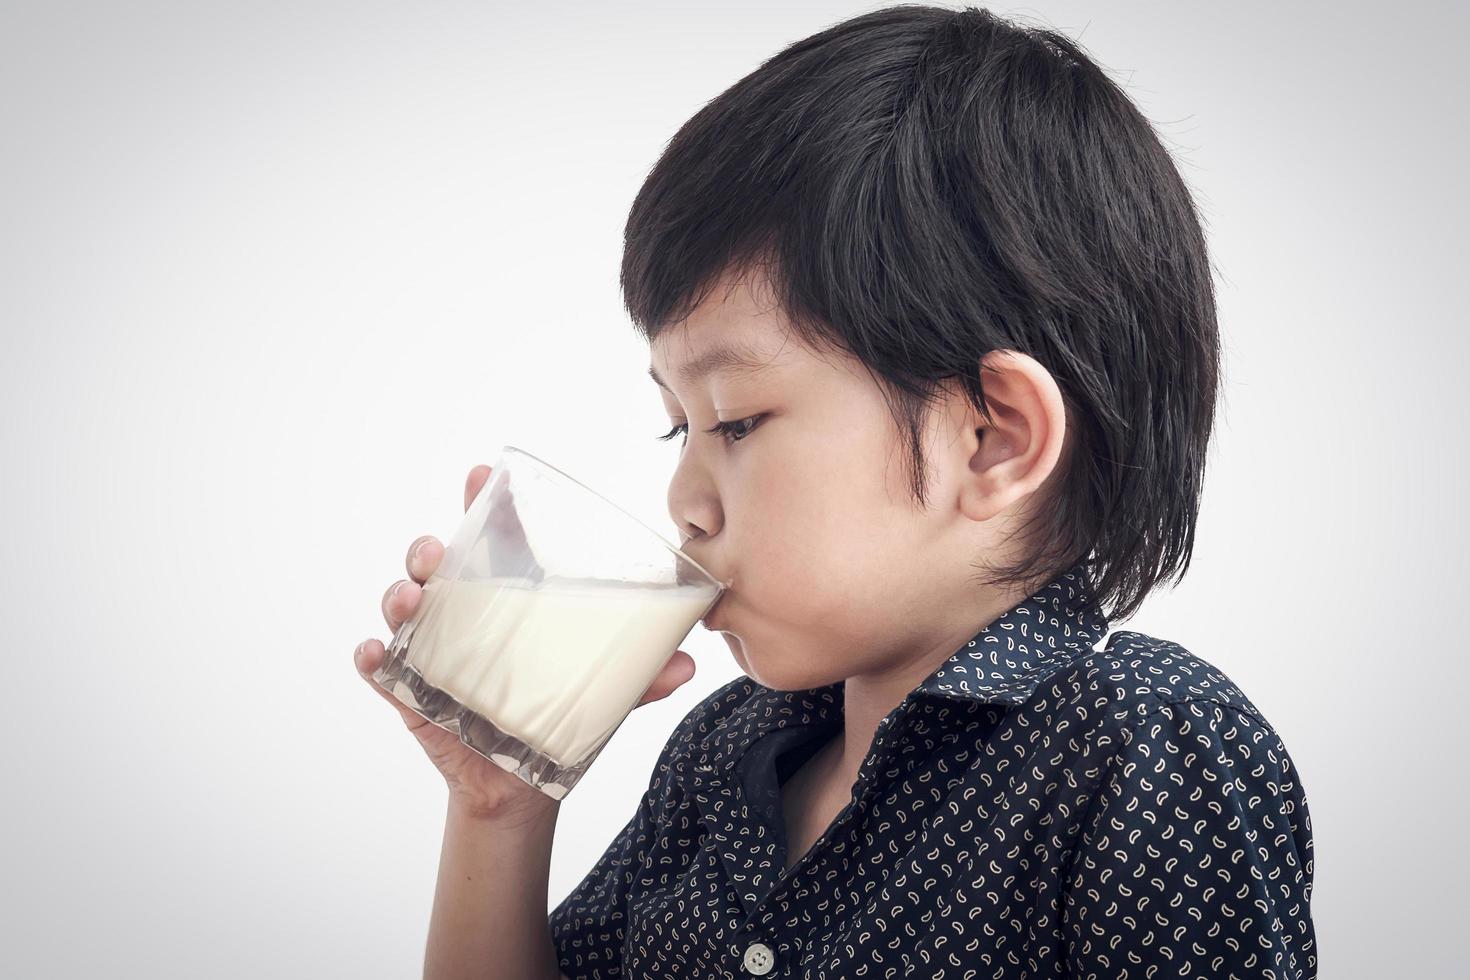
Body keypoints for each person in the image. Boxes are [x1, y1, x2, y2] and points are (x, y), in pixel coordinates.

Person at [354, 5, 1316, 977]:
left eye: (734, 421)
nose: (685, 496)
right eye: (676, 424)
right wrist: (498, 809)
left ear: (993, 439)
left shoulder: (1146, 746)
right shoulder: (725, 754)